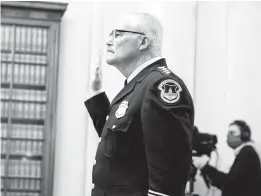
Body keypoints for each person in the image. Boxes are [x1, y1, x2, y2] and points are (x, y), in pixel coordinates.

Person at [85, 13, 195, 196]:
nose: (108, 41)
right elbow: (120, 145)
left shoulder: (161, 86)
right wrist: (96, 94)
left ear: (143, 42)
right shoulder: (139, 85)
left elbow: (167, 178)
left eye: (117, 34)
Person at [193, 120, 261, 196]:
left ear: (244, 135)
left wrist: (205, 166)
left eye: (232, 133)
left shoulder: (247, 153)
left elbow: (229, 183)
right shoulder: (246, 152)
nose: (228, 135)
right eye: (228, 133)